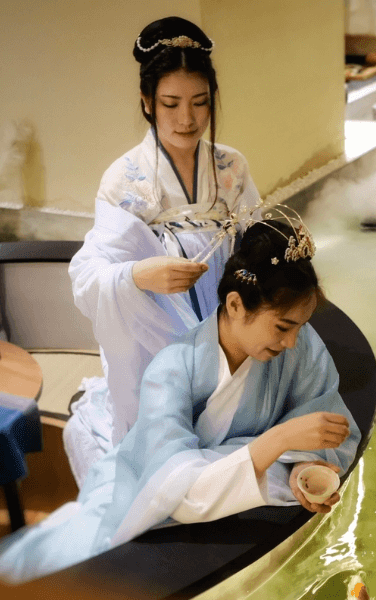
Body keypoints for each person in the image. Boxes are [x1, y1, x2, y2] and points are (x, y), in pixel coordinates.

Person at [0, 219, 361, 583]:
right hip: (146, 481)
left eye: (300, 325)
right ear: (234, 305)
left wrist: (300, 469)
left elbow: (326, 423)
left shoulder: (300, 344)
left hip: (231, 483)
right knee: (68, 563)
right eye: (283, 327)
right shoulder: (172, 368)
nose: (293, 341)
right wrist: (279, 441)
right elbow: (171, 487)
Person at [66, 16, 262, 485]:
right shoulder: (124, 179)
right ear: (146, 101)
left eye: (200, 102)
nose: (187, 119)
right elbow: (89, 274)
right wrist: (138, 275)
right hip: (153, 336)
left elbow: (257, 243)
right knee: (165, 460)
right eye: (171, 103)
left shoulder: (231, 167)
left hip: (230, 323)